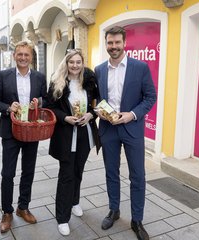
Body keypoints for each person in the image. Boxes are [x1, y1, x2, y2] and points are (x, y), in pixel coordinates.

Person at [94, 26, 156, 240]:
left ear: (124, 42)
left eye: (117, 42)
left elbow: (150, 97)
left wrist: (132, 114)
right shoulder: (100, 69)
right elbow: (97, 99)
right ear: (106, 44)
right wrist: (99, 112)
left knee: (137, 176)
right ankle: (114, 210)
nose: (113, 47)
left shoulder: (140, 67)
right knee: (111, 173)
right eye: (110, 43)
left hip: (132, 129)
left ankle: (137, 220)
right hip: (108, 130)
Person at [0, 40, 47, 234]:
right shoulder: (4, 75)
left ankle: (23, 207)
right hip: (10, 131)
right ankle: (7, 212)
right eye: (20, 54)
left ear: (32, 57)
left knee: (28, 171)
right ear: (14, 56)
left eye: (27, 54)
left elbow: (46, 99)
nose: (23, 58)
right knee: (8, 173)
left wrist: (38, 102)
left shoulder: (39, 77)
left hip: (31, 130)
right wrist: (8, 108)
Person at [46, 50, 101, 236]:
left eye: (78, 62)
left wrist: (90, 115)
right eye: (72, 62)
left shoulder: (89, 79)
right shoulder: (58, 81)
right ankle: (62, 217)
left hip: (85, 134)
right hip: (66, 136)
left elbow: (97, 104)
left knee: (78, 170)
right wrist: (65, 118)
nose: (75, 66)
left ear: (82, 63)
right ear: (67, 63)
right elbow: (50, 107)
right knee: (66, 175)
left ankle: (75, 201)